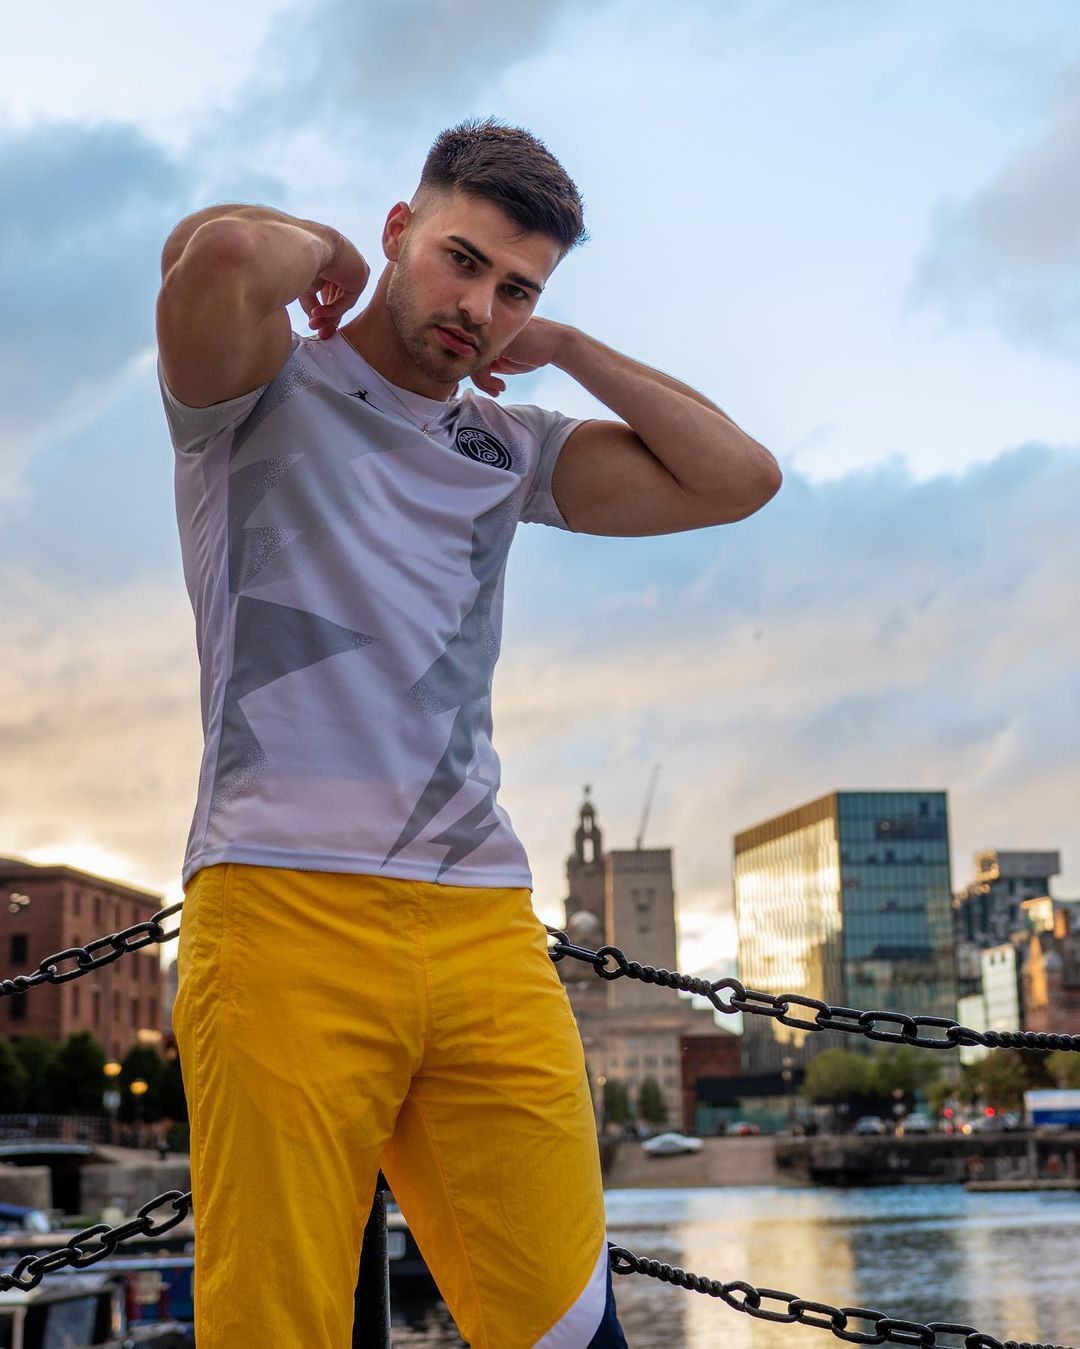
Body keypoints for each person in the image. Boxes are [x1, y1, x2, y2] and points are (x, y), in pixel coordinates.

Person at [156, 117, 780, 1348]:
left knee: (566, 1330)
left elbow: (739, 477)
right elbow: (221, 254)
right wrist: (326, 248)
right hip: (281, 907)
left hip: (483, 919)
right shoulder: (259, 386)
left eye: (516, 289)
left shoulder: (516, 448)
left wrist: (570, 347)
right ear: (401, 229)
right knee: (277, 1323)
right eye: (461, 259)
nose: (480, 307)